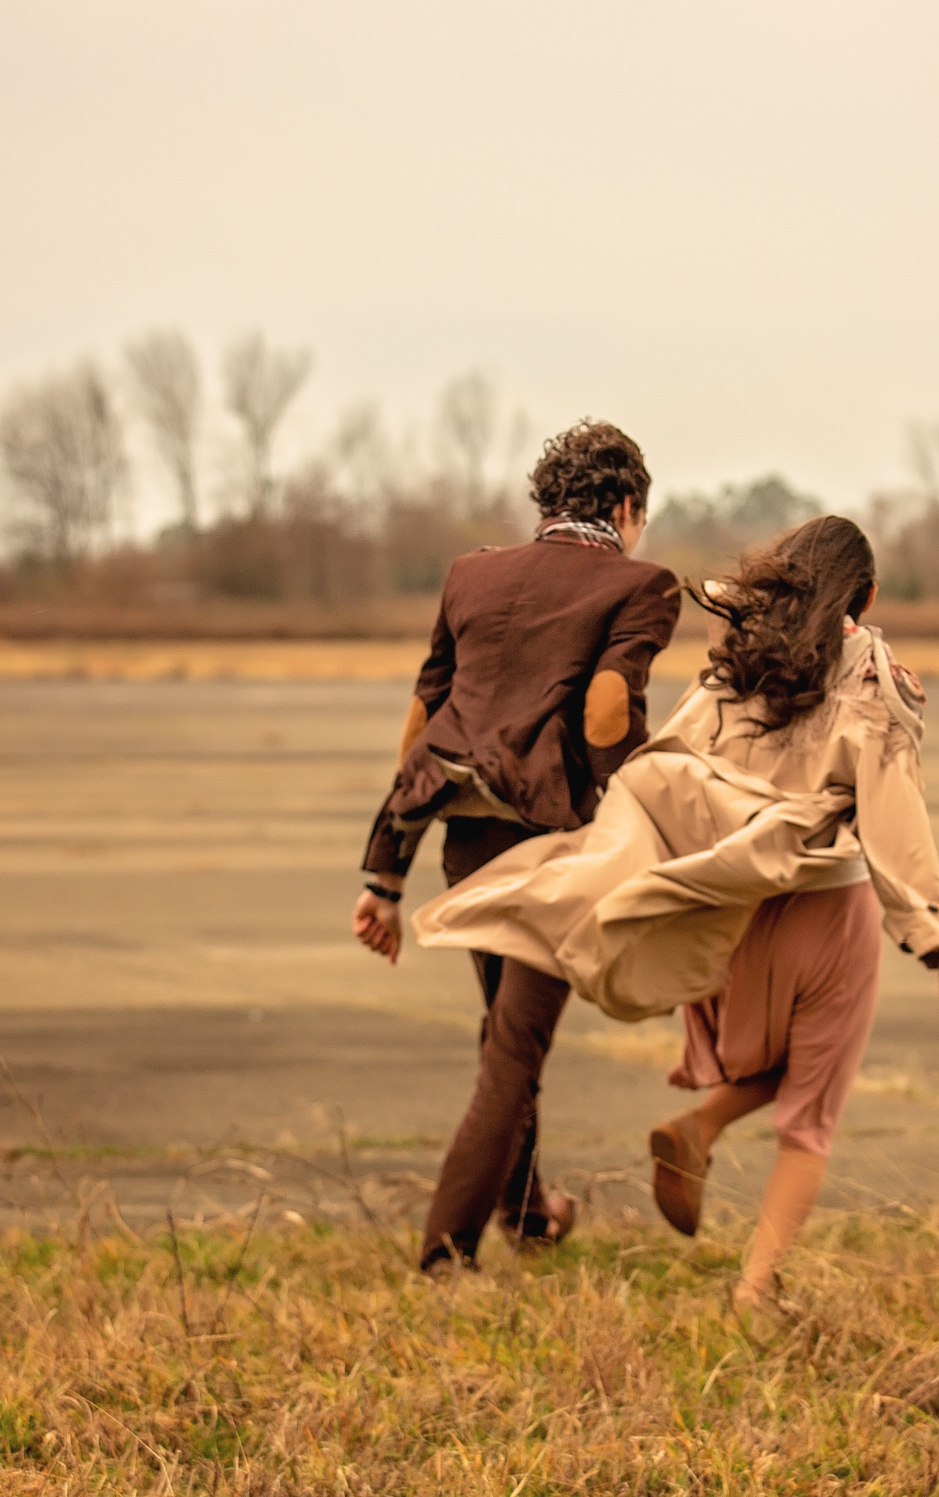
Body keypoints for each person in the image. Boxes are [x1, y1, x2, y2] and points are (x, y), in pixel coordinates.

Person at [411, 514, 939, 1310]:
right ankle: (755, 1287)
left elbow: (666, 769)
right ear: (869, 594)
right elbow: (894, 810)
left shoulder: (733, 667)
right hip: (827, 908)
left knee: (785, 1066)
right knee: (813, 1107)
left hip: (732, 911)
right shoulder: (874, 674)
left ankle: (701, 1128)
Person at [350, 420, 682, 1273]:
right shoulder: (640, 584)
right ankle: (443, 1255)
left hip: (466, 840)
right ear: (626, 505)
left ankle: (529, 1211)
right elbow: (608, 708)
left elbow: (423, 724)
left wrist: (384, 874)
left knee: (505, 1031)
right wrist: (634, 823)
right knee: (514, 1051)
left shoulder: (472, 573)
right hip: (552, 851)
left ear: (547, 502)